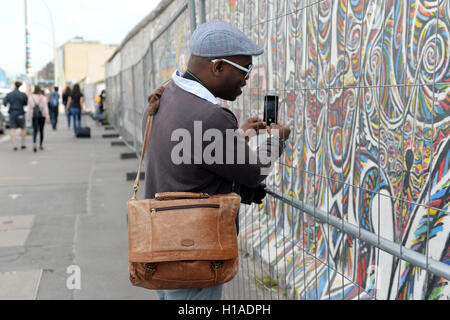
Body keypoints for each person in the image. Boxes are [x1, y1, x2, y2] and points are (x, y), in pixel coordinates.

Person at [142, 21, 291, 300]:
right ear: (218, 67)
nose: (248, 78)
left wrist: (236, 137)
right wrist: (278, 139)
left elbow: (187, 152)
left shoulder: (163, 97)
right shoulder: (210, 117)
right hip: (194, 258)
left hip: (162, 246)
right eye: (245, 69)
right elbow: (254, 172)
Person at [3, 81, 28, 151]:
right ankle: (22, 144)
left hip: (12, 113)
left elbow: (4, 103)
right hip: (20, 113)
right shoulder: (23, 94)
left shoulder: (9, 94)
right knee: (23, 128)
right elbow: (25, 103)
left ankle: (15, 145)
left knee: (12, 129)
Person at [26, 85, 50, 152]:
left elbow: (29, 108)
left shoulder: (31, 97)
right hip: (42, 115)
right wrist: (47, 117)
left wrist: (28, 117)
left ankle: (34, 144)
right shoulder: (43, 97)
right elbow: (45, 108)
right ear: (40, 90)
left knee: (35, 130)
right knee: (41, 130)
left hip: (34, 116)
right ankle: (41, 144)